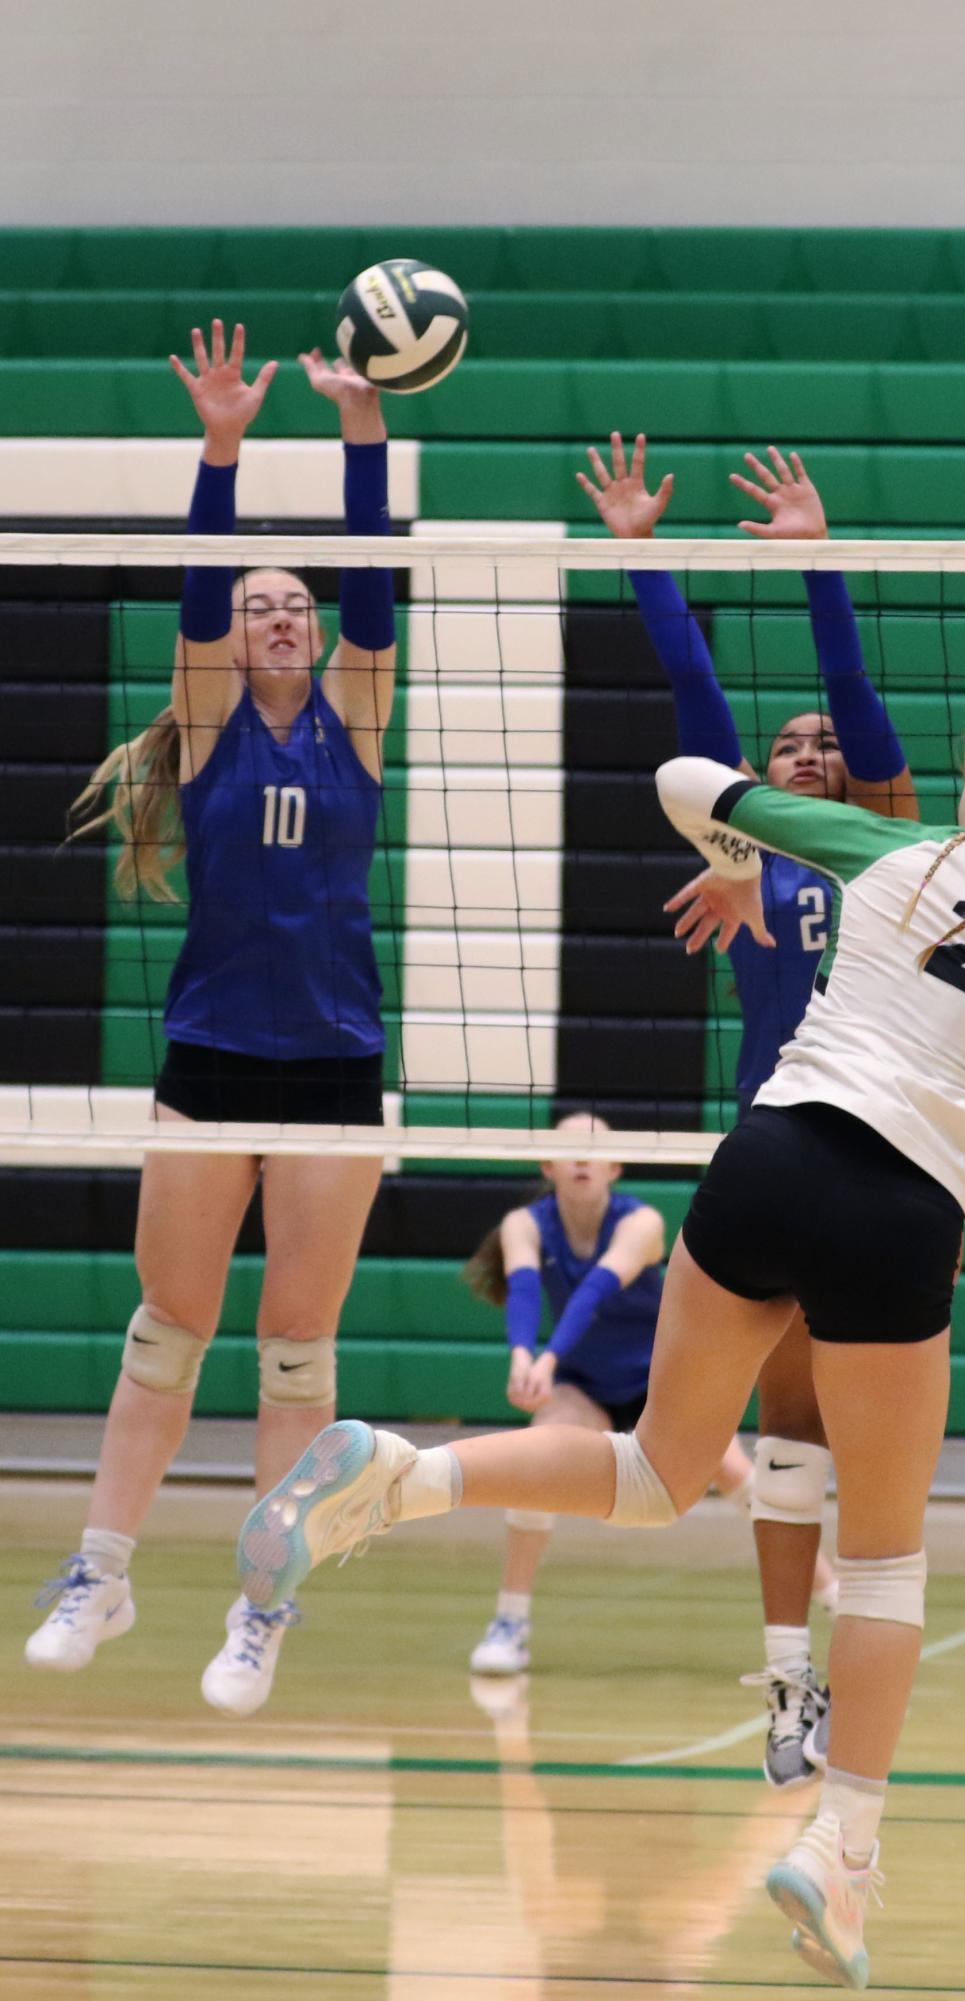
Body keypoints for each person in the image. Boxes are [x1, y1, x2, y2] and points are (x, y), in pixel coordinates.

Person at [237, 705, 965, 1989]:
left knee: (657, 1470)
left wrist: (746, 848)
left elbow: (679, 775)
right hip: (902, 1210)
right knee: (880, 1570)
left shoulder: (880, 851)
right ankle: (840, 1854)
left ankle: (401, 1477)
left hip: (772, 1158)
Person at [26, 322, 397, 1720]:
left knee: (297, 1348)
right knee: (168, 1330)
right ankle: (101, 1571)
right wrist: (224, 446)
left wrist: (360, 430)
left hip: (336, 1066)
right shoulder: (206, 718)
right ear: (227, 640)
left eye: (292, 601)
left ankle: (261, 1608)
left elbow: (376, 584)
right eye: (255, 605)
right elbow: (194, 587)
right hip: (210, 1062)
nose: (278, 615)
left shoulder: (360, 714)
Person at [577, 431, 918, 1788]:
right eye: (788, 746)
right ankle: (789, 1689)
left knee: (872, 1452)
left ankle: (851, 1681)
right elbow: (693, 694)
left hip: (888, 1157)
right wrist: (641, 555)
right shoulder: (739, 853)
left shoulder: (894, 836)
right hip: (775, 1155)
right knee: (784, 1441)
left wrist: (813, 557)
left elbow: (853, 692)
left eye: (826, 743)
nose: (814, 745)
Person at [459, 1110, 760, 1673]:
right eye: (568, 1148)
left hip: (660, 1381)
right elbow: (523, 1291)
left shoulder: (640, 1222)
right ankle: (510, 1623)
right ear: (547, 1164)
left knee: (737, 1475)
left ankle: (832, 1596)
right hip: (586, 1386)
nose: (582, 1157)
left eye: (595, 1148)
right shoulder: (523, 1224)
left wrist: (546, 1357)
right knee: (534, 1464)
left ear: (615, 1165)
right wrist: (522, 1354)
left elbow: (595, 1292)